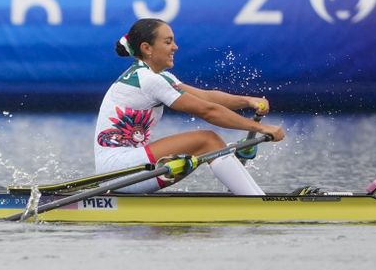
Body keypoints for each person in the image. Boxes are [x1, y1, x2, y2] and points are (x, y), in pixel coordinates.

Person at [94, 18, 285, 195]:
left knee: (207, 142)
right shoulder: (149, 80)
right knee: (207, 140)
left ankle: (255, 197)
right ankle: (256, 200)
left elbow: (207, 97)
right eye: (168, 42)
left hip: (130, 165)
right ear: (147, 48)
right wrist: (261, 128)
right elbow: (208, 111)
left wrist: (247, 101)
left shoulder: (160, 77)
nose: (175, 47)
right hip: (117, 172)